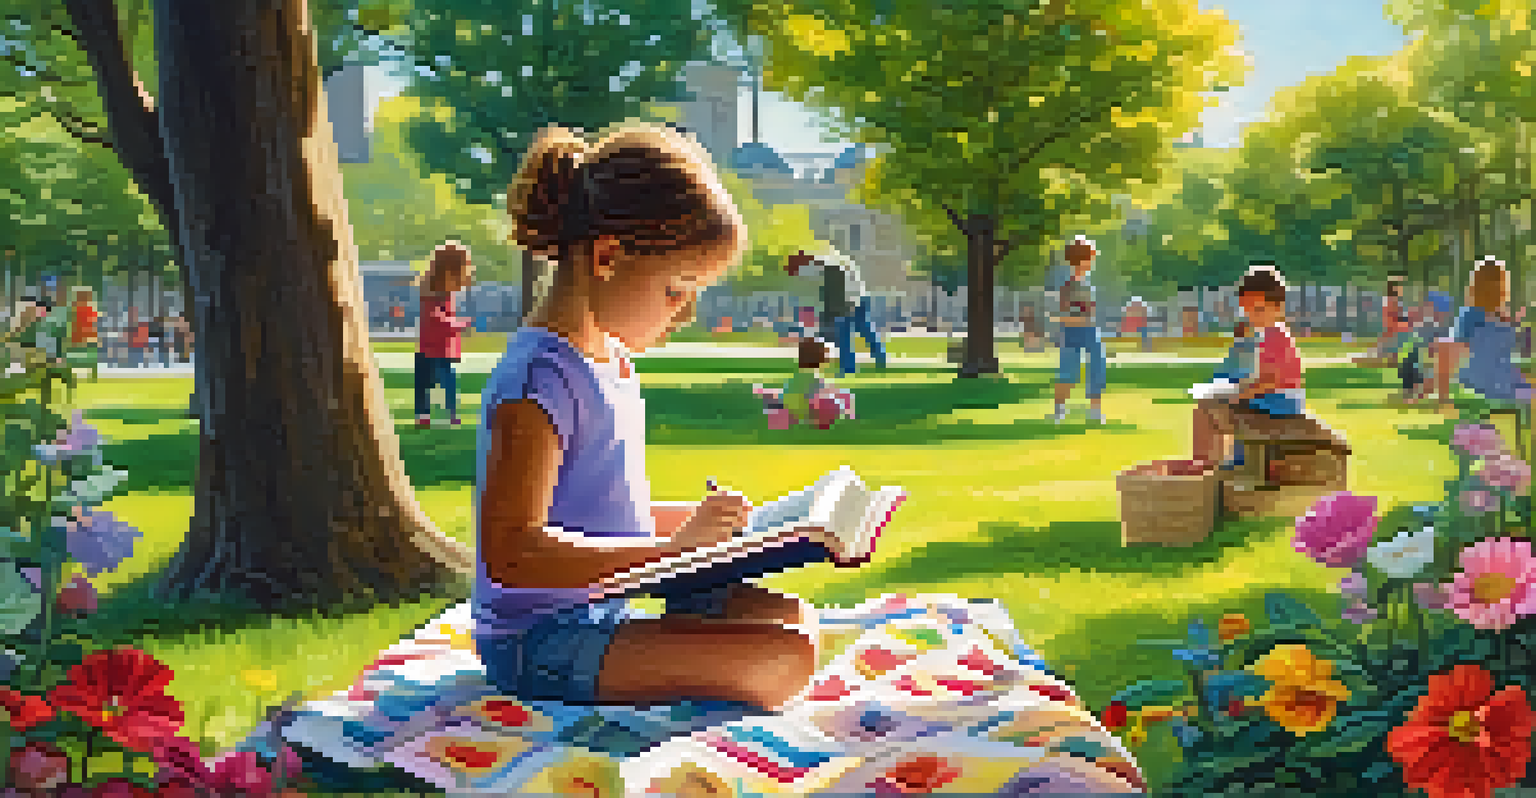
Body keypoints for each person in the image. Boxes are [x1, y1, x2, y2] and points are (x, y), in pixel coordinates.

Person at [475, 123, 817, 713]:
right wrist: (669, 552)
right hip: (541, 640)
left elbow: (602, 513)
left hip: (609, 606)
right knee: (783, 658)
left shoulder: (612, 362)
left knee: (792, 620)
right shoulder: (537, 381)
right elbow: (511, 552)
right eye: (677, 290)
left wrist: (719, 530)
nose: (685, 314)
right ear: (607, 257)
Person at [1192, 265, 1304, 470]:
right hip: (1274, 397)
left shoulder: (1275, 335)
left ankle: (1210, 462)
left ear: (1278, 307)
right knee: (1214, 404)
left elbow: (1272, 380)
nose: (1253, 316)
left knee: (1211, 408)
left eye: (1259, 310)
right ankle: (1219, 460)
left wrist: (1240, 394)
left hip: (1280, 400)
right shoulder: (1267, 333)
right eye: (1248, 310)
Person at [1434, 256, 1530, 411]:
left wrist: (1443, 396)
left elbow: (1449, 349)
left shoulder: (1471, 316)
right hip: (1500, 384)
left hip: (1485, 383)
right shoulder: (1499, 320)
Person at [784, 247, 888, 376]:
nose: (792, 273)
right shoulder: (825, 263)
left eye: (793, 269)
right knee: (858, 333)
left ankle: (855, 366)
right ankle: (868, 362)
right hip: (853, 299)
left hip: (849, 301)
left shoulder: (820, 268)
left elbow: (823, 294)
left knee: (850, 335)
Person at [416, 241, 476, 428]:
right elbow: (436, 318)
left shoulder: (445, 292)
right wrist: (459, 324)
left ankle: (451, 414)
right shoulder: (431, 292)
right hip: (430, 348)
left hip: (442, 349)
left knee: (447, 383)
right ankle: (425, 415)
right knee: (426, 383)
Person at [1052, 235, 1107, 424]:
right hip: (1072, 331)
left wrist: (1089, 315)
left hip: (1089, 330)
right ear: (1081, 259)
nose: (1092, 262)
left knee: (1097, 367)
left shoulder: (1085, 281)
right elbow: (1063, 312)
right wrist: (1080, 316)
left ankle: (1095, 411)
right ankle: (1059, 410)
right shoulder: (1068, 284)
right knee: (1068, 372)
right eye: (1090, 257)